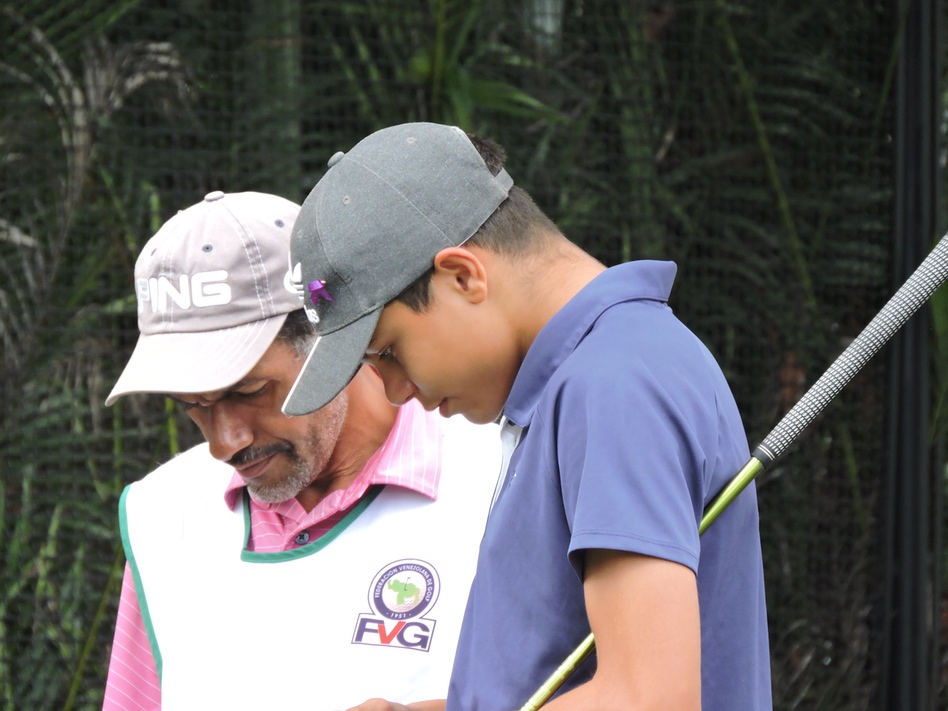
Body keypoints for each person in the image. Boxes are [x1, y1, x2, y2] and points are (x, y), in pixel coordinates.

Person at [281, 123, 773, 710]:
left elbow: (648, 699)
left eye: (386, 352)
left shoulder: (615, 382)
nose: (392, 391)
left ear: (463, 276)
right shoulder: (589, 377)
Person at [101, 190, 501, 710]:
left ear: (331, 338)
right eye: (192, 406)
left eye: (249, 392)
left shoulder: (499, 475)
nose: (225, 443)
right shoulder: (162, 515)